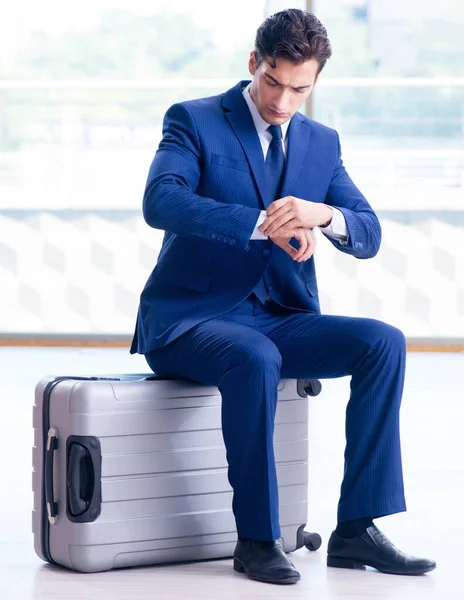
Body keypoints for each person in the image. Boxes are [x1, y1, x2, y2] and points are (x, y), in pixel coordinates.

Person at [130, 8, 436, 585]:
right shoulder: (195, 120)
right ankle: (257, 538)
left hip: (278, 318)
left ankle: (356, 529)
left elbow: (366, 233)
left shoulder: (322, 143)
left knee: (383, 343)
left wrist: (324, 214)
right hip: (191, 320)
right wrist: (259, 222)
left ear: (316, 80)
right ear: (254, 63)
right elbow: (160, 201)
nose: (283, 101)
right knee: (254, 356)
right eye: (274, 81)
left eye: (301, 87)